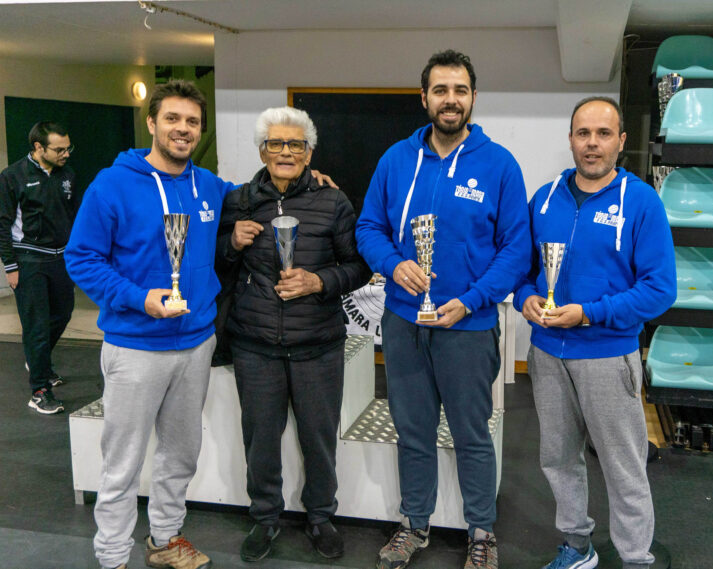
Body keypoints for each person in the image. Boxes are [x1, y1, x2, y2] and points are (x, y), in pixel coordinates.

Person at [356, 50, 531, 569]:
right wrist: (393, 265)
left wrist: (472, 300)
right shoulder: (395, 160)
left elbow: (516, 249)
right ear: (424, 97)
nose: (450, 100)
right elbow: (369, 228)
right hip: (404, 322)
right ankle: (414, 524)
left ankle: (482, 532)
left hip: (469, 326)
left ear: (473, 97)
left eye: (459, 90)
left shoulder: (499, 165)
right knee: (412, 431)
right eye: (440, 90)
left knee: (472, 434)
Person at [65, 80, 231, 569]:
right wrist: (139, 299)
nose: (183, 129)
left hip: (196, 344)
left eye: (193, 122)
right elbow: (81, 258)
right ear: (153, 122)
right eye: (173, 118)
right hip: (136, 346)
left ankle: (165, 540)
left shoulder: (208, 185)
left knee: (180, 455)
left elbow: (255, 198)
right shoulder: (111, 185)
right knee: (122, 463)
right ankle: (113, 556)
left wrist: (307, 175)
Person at [514, 97, 676, 569]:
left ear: (620, 142)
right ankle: (577, 546)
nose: (592, 143)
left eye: (603, 134)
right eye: (583, 133)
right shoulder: (544, 199)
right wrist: (525, 297)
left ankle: (635, 557)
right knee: (558, 459)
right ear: (570, 139)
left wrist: (589, 314)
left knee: (623, 466)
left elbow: (660, 290)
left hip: (607, 355)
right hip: (547, 353)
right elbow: (522, 270)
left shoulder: (641, 202)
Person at [217, 106, 371, 562]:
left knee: (319, 440)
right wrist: (232, 243)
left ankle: (320, 517)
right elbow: (216, 264)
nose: (285, 152)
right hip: (255, 344)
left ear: (309, 152)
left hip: (318, 344)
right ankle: (265, 517)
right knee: (260, 439)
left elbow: (359, 267)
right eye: (276, 144)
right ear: (262, 151)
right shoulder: (238, 201)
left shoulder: (333, 201)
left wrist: (318, 281)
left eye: (295, 144)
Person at [0, 121, 76, 414]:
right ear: (38, 147)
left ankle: (37, 359)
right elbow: (3, 224)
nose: (65, 154)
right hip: (29, 260)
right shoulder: (12, 176)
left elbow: (71, 215)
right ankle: (40, 391)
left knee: (63, 314)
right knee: (37, 327)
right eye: (59, 149)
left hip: (60, 258)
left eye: (68, 148)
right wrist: (10, 266)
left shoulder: (67, 175)